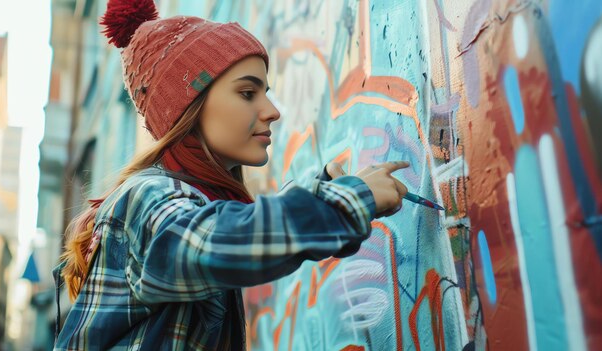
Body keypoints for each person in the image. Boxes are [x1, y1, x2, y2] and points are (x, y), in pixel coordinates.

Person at [53, 0, 409, 350]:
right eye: (247, 92)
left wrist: (325, 189)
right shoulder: (148, 195)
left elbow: (227, 227)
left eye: (264, 94)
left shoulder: (185, 200)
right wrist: (347, 201)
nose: (271, 111)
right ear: (189, 107)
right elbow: (217, 241)